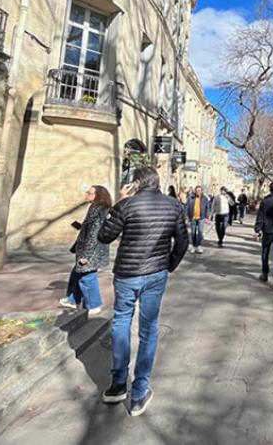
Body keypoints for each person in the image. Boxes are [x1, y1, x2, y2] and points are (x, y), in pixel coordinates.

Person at [98, 167, 189, 416]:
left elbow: (105, 236)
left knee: (121, 322)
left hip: (127, 273)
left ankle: (118, 384)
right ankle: (138, 393)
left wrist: (119, 201)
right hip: (155, 274)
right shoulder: (173, 206)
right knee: (149, 329)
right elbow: (183, 241)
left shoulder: (126, 205)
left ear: (136, 183)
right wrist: (169, 264)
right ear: (157, 182)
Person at [59, 185, 111, 314]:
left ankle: (94, 305)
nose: (86, 194)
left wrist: (86, 256)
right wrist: (80, 226)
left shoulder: (98, 209)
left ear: (98, 195)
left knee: (87, 277)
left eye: (90, 192)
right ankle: (72, 299)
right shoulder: (96, 208)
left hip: (91, 250)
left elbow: (94, 234)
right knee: (77, 273)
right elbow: (90, 228)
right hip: (91, 249)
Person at [185, 185, 210, 253]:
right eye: (197, 191)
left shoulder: (204, 198)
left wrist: (207, 217)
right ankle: (193, 245)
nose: (198, 192)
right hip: (193, 218)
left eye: (199, 190)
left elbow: (207, 208)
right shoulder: (190, 198)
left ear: (201, 191)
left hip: (201, 218)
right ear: (195, 191)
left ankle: (198, 245)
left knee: (200, 232)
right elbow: (187, 207)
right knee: (193, 232)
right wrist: (186, 216)